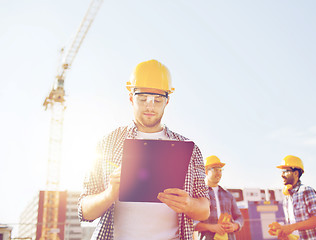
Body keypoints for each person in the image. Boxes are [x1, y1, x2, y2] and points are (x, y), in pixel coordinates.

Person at [78, 59, 210, 240]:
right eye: (142, 99)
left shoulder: (190, 150)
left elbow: (204, 210)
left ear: (167, 102)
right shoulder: (107, 144)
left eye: (157, 100)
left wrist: (188, 204)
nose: (150, 106)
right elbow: (85, 211)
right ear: (131, 98)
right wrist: (109, 194)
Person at [269, 155, 316, 240]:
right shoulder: (287, 198)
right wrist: (283, 232)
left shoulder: (306, 191)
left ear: (296, 173)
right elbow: (294, 229)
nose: (282, 175)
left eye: (285, 171)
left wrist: (292, 227)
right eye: (281, 172)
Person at [194, 155, 243, 240]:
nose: (219, 173)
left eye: (220, 170)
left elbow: (239, 217)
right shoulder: (198, 194)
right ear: (206, 171)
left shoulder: (228, 195)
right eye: (215, 169)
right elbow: (192, 223)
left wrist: (235, 226)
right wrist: (210, 227)